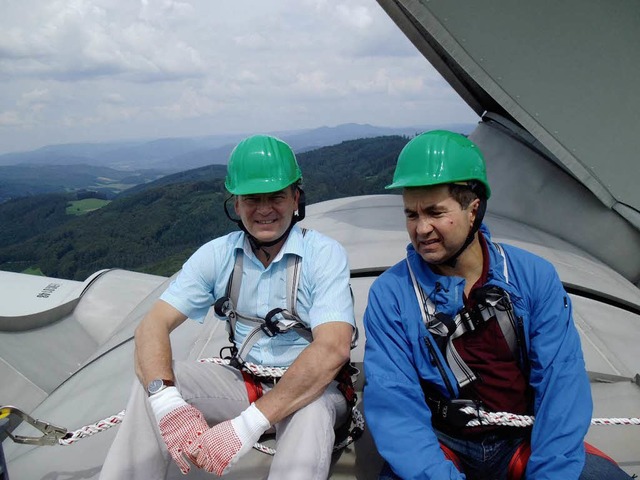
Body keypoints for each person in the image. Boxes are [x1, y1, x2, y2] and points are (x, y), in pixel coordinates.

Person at [362, 130, 632, 479]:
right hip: (441, 444)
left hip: (521, 438)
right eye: (411, 214)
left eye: (434, 212)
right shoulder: (392, 294)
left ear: (473, 209)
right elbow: (396, 404)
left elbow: (560, 385)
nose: (421, 228)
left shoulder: (532, 278)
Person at [99, 134, 356, 479]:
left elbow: (333, 347)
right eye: (252, 198)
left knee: (312, 410)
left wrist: (246, 427)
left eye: (276, 196)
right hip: (247, 380)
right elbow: (152, 326)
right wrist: (167, 403)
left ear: (296, 199)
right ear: (236, 205)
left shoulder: (323, 255)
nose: (264, 209)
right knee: (155, 382)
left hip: (314, 388)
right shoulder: (218, 255)